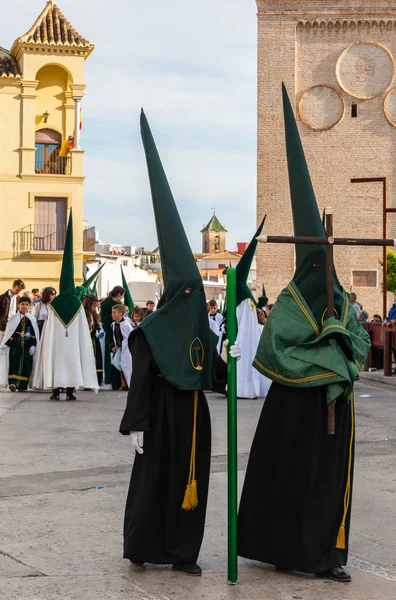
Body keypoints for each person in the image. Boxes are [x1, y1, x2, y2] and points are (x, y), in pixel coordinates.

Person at [238, 84, 371, 583]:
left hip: (334, 416)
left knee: (324, 485)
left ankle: (324, 555)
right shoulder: (290, 306)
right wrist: (328, 350)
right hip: (295, 413)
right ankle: (281, 548)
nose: (324, 273)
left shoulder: (339, 301)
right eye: (317, 263)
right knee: (287, 478)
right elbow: (281, 350)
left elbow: (355, 348)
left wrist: (341, 335)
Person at [119, 111, 228, 577]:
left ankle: (185, 552)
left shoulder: (199, 324)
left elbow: (215, 372)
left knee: (192, 482)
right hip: (159, 417)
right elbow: (141, 381)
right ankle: (142, 547)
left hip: (192, 417)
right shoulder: (150, 330)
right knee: (153, 483)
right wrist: (137, 426)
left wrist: (233, 358)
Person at [32, 210, 98, 400]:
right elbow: (82, 332)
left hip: (58, 343)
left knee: (56, 359)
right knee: (72, 359)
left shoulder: (56, 303)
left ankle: (55, 390)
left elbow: (48, 331)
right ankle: (70, 391)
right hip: (72, 343)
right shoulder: (77, 303)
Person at [231, 219, 271, 399]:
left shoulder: (246, 300)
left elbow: (246, 326)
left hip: (244, 341)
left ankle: (247, 388)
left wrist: (238, 342)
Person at [0, 296, 39, 391]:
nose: (24, 306)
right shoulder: (14, 318)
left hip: (27, 347)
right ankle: (12, 383)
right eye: (22, 304)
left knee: (26, 364)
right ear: (18, 305)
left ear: (30, 306)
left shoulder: (32, 319)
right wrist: (6, 344)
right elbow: (11, 333)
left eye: (26, 304)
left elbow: (34, 333)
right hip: (15, 346)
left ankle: (22, 385)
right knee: (14, 363)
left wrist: (34, 345)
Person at [101, 286, 125, 384]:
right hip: (108, 331)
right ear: (119, 294)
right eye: (122, 295)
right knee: (107, 354)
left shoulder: (119, 304)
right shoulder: (107, 304)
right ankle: (107, 377)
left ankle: (117, 377)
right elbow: (105, 318)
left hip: (118, 331)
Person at [110, 304, 133, 390]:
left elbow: (129, 337)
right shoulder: (113, 325)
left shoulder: (126, 324)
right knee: (117, 365)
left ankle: (131, 385)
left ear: (120, 313)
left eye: (114, 312)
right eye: (112, 312)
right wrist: (113, 346)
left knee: (127, 366)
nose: (112, 314)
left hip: (126, 350)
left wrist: (125, 347)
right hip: (119, 349)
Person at [83, 294, 105, 386]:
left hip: (95, 340)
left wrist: (100, 330)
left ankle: (97, 379)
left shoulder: (94, 314)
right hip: (88, 340)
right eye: (93, 306)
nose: (95, 308)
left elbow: (97, 325)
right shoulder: (84, 314)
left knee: (97, 358)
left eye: (96, 306)